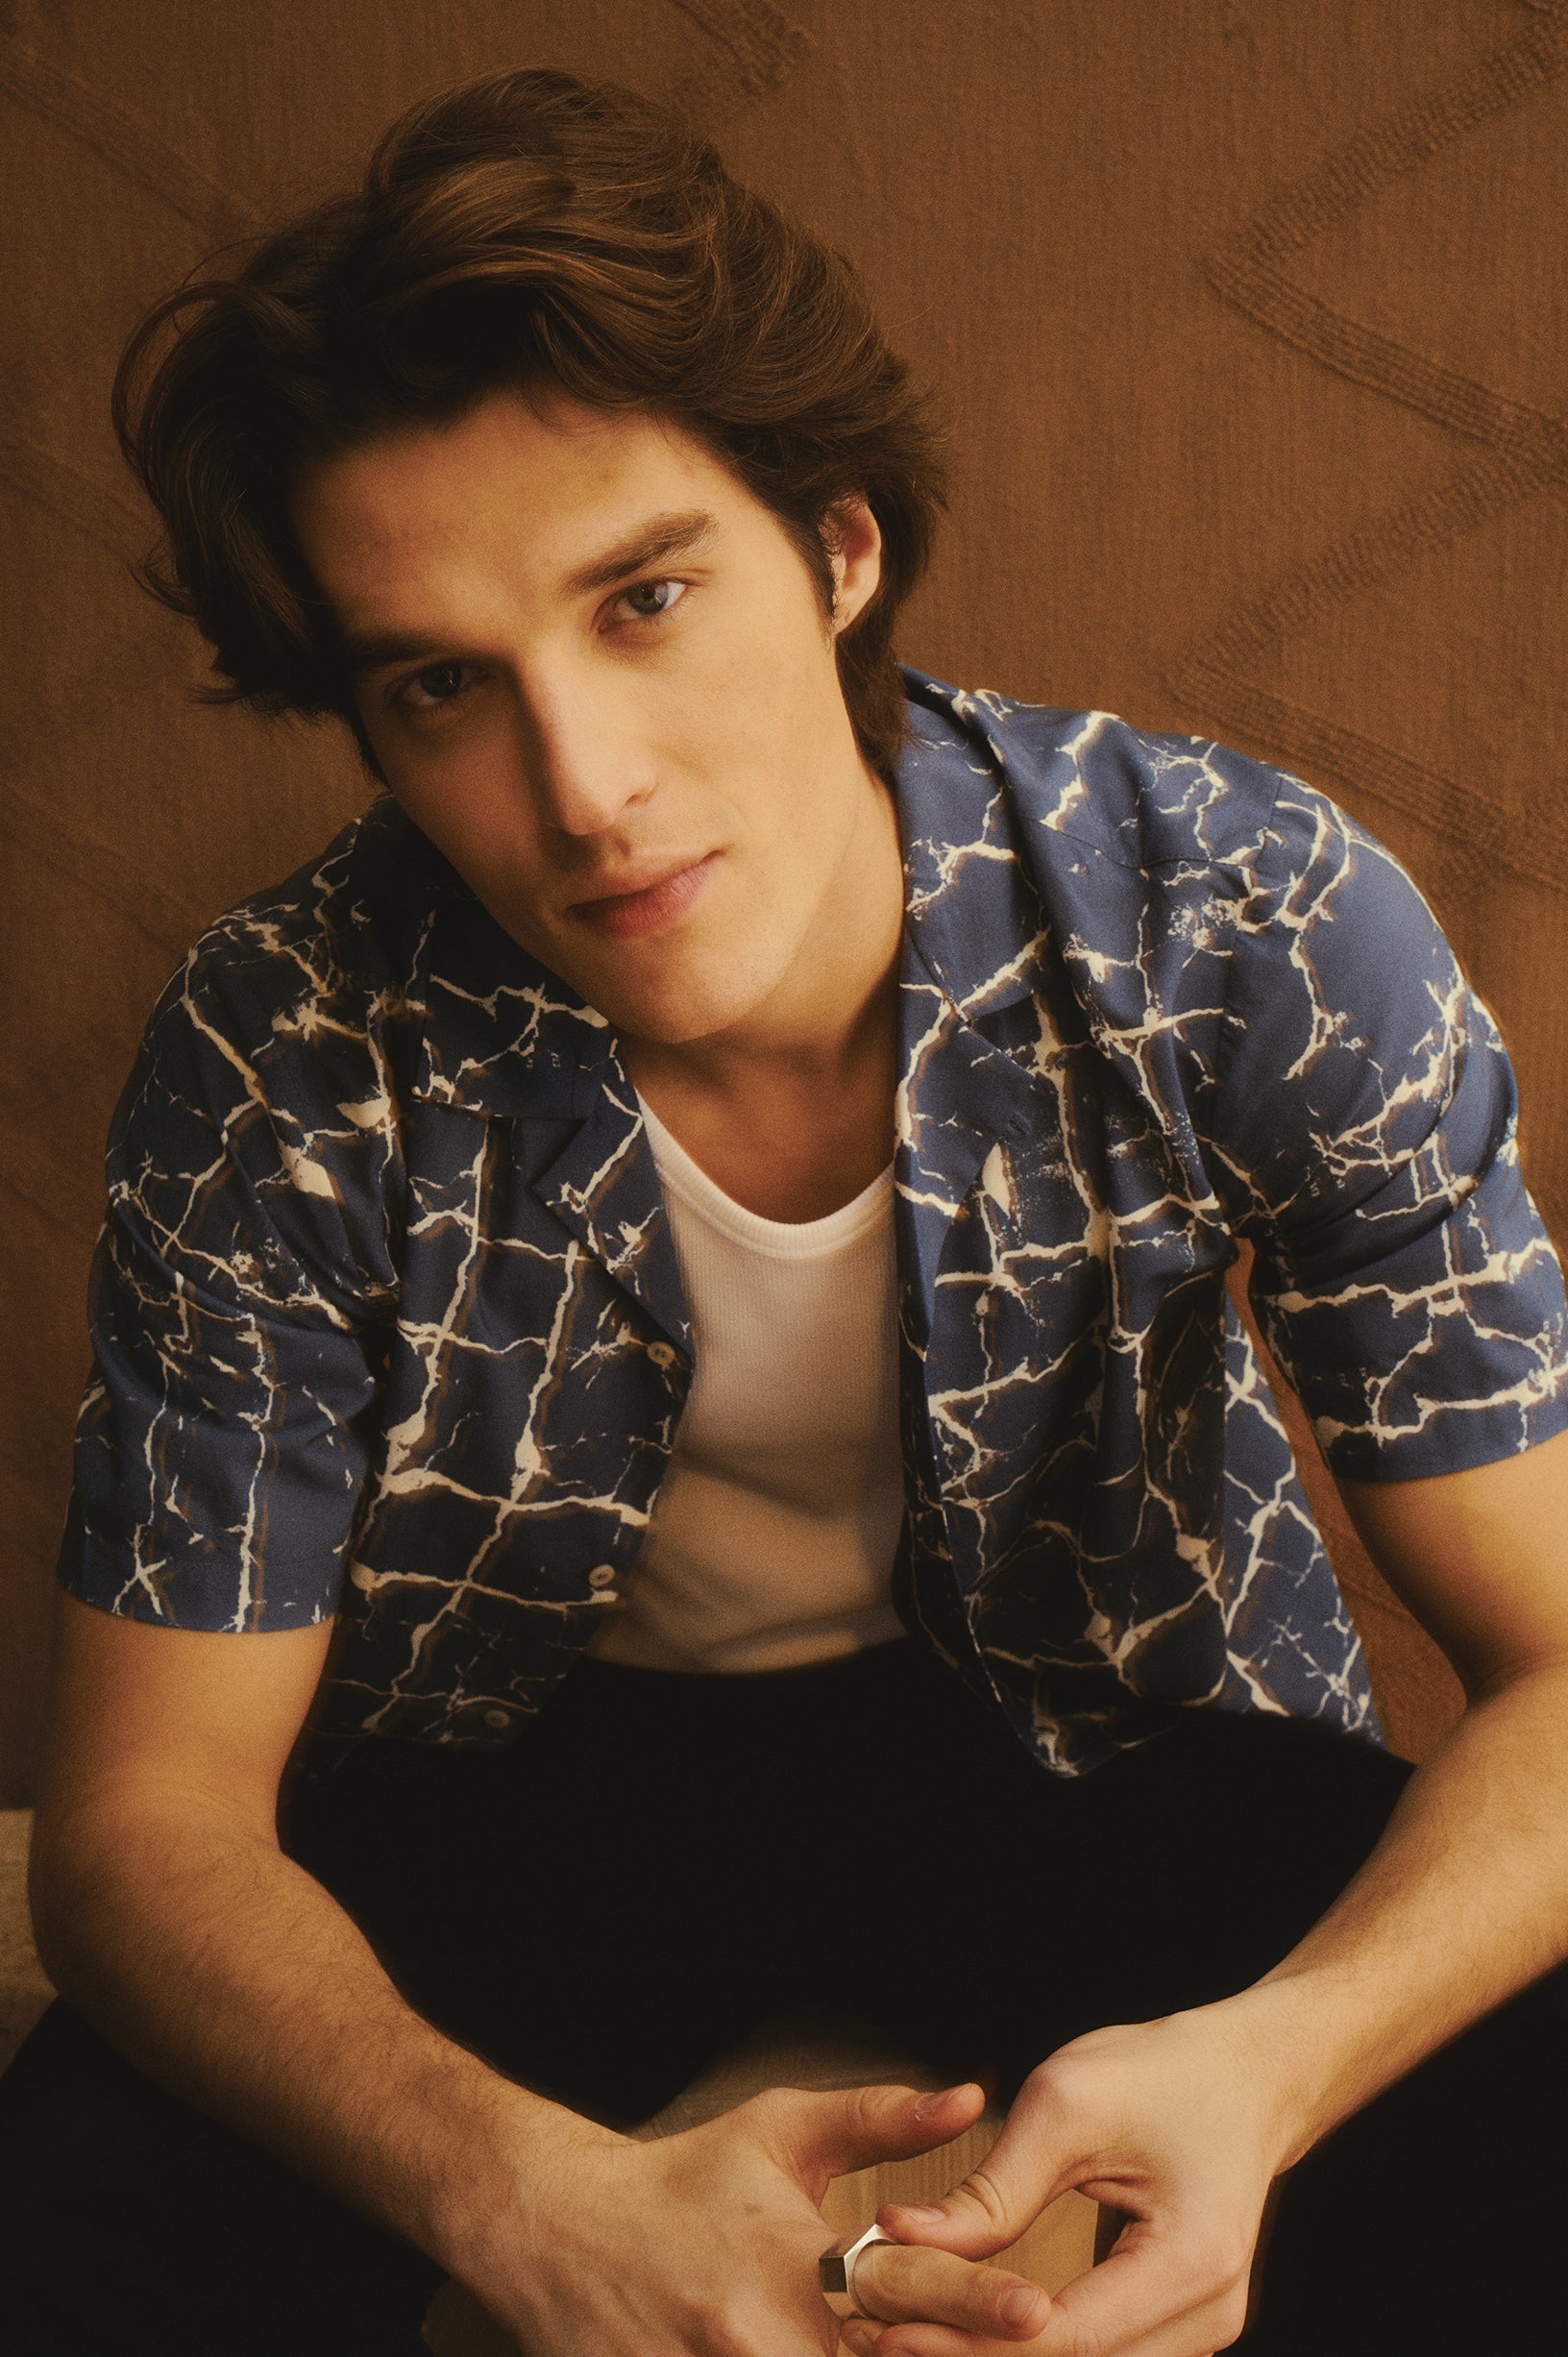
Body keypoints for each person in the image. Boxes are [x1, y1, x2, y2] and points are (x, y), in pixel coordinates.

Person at [2, 62, 1567, 2357]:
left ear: (837, 549)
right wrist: (521, 2199)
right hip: (518, 1781)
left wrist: (1284, 2064)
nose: (584, 788)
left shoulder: (1247, 917)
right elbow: (146, 1833)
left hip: (1118, 1744)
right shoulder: (283, 1052)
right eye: (443, 685)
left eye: (644, 597)